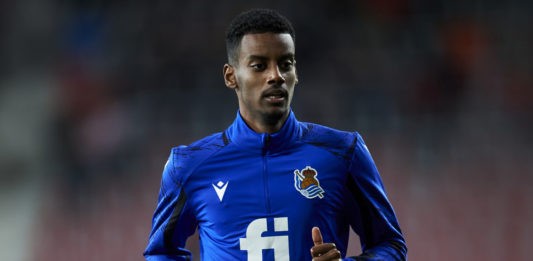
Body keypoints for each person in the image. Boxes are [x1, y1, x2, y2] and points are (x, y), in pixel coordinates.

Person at [144, 8, 407, 261]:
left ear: (296, 72)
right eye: (259, 66)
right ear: (230, 76)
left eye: (285, 64)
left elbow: (391, 245)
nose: (276, 76)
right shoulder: (188, 165)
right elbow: (161, 252)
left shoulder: (342, 152)